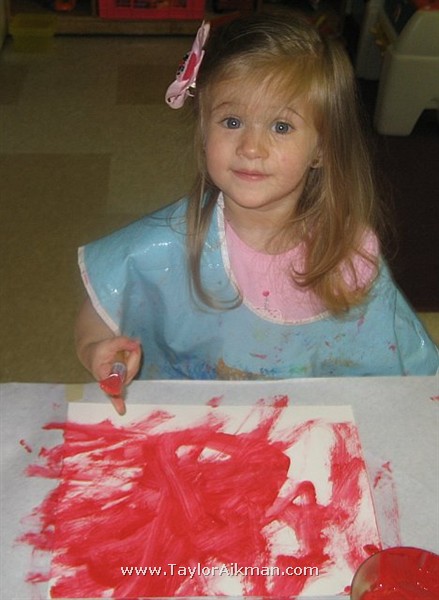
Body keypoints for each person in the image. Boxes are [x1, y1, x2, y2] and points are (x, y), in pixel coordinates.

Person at [75, 13, 438, 414]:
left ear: (321, 149)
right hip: (193, 425)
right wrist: (97, 348)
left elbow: (406, 363)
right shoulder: (166, 243)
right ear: (204, 130)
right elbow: (100, 311)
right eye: (232, 122)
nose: (251, 147)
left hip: (307, 430)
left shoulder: (347, 254)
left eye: (281, 127)